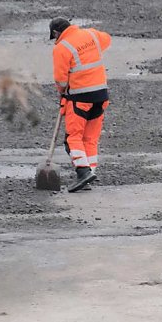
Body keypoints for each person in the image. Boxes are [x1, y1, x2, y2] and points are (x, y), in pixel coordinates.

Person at [50, 18, 111, 192]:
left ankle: (83, 172)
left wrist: (62, 92)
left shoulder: (61, 48)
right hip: (101, 95)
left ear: (55, 33)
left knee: (73, 137)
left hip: (80, 98)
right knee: (90, 138)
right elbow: (107, 39)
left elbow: (61, 79)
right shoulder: (92, 34)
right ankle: (90, 174)